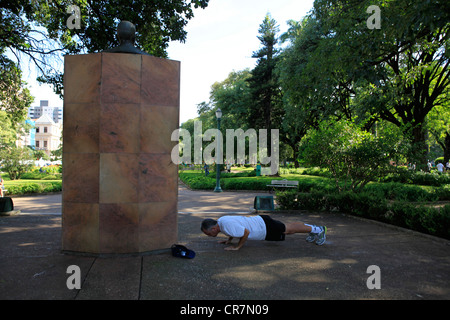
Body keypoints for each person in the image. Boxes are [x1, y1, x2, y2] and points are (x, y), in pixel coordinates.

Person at [201, 215, 327, 251]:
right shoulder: (221, 222)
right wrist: (229, 240)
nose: (209, 236)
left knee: (289, 229)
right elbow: (236, 229)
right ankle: (313, 229)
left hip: (264, 226)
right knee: (288, 230)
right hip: (262, 223)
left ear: (213, 229)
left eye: (208, 233)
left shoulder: (225, 226)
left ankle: (319, 230)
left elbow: (245, 232)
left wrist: (237, 247)